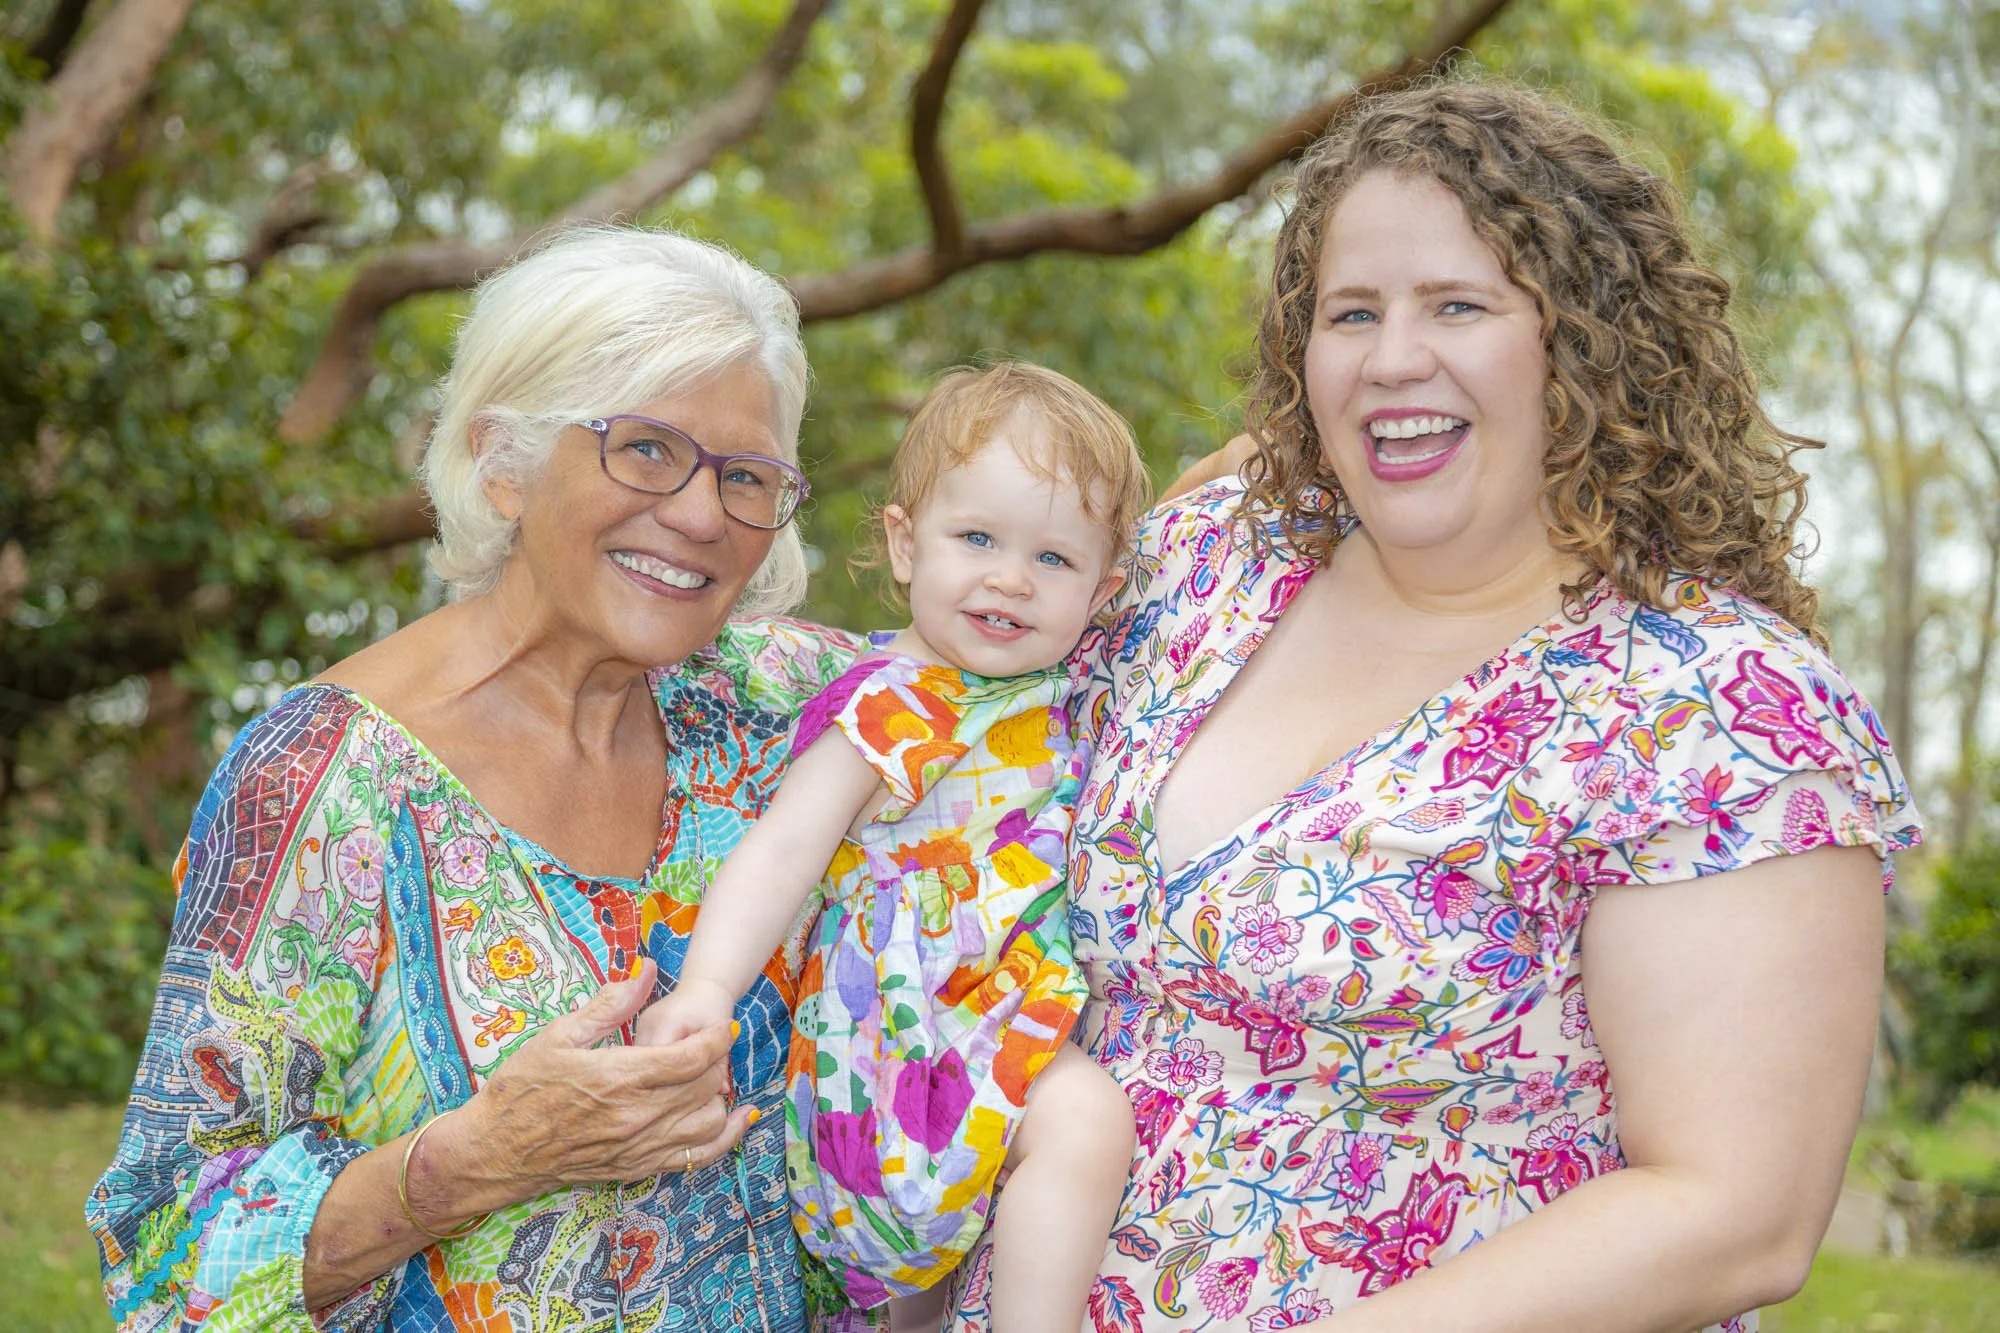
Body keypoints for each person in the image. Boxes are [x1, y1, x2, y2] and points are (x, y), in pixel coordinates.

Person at [945, 81, 1923, 1331]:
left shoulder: (1711, 705)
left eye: (1456, 304)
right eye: (1351, 313)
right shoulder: (1203, 565)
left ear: (1586, 337)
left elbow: (1731, 1215)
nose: (1391, 357)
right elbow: (943, 730)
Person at [86, 224, 864, 1332]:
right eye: (645, 449)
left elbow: (1078, 647)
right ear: (503, 463)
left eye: (744, 475)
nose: (700, 515)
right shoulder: (323, 780)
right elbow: (167, 1263)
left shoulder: (792, 706)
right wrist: (484, 1156)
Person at [641, 364, 1146, 1332]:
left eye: (1052, 559)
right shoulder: (890, 703)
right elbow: (785, 849)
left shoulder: (1061, 690)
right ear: (904, 543)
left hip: (1013, 1009)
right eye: (976, 538)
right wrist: (705, 989)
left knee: (1062, 1151)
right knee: (1060, 1145)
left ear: (1102, 588)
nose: (1008, 577)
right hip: (903, 1035)